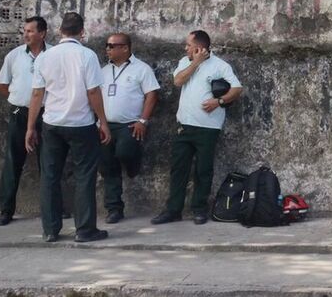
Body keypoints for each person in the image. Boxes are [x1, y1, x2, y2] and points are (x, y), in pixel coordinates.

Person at [24, 12, 111, 243]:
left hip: (51, 124)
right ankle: (84, 230)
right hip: (81, 124)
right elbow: (93, 91)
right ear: (82, 32)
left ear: (60, 31)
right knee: (85, 176)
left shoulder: (45, 56)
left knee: (50, 177)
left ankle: (50, 230)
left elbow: (36, 94)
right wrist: (103, 121)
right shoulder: (87, 55)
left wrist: (30, 127)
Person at [152, 30, 243, 226]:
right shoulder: (185, 62)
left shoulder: (220, 65)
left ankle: (199, 209)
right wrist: (195, 63)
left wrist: (219, 101)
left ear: (199, 47)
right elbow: (177, 81)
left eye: (188, 45)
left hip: (208, 127)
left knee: (203, 170)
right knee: (178, 169)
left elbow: (237, 89)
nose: (185, 48)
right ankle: (173, 210)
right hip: (184, 125)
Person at [98, 33, 160, 223]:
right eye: (106, 45)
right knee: (107, 166)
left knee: (124, 152)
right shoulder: (103, 70)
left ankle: (133, 165)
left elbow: (152, 94)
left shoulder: (141, 69)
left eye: (111, 45)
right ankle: (114, 208)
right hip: (105, 125)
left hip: (129, 124)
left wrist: (143, 121)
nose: (107, 49)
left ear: (125, 48)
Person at [0, 16, 48, 226]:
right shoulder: (14, 55)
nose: (25, 35)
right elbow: (1, 84)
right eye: (24, 31)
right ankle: (6, 210)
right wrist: (17, 98)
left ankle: (51, 208)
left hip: (47, 113)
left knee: (49, 162)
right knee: (13, 162)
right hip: (19, 113)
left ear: (42, 33)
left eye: (30, 31)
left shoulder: (53, 54)